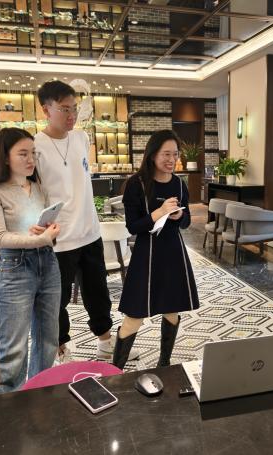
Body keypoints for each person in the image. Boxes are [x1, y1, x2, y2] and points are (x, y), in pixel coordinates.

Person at [34, 80, 137, 362]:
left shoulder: (81, 139)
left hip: (90, 231)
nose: (71, 115)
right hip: (58, 239)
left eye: (74, 108)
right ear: (46, 109)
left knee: (98, 292)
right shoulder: (36, 146)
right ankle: (60, 348)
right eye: (64, 109)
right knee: (57, 299)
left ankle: (105, 343)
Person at [0, 127, 61, 393]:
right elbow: (0, 238)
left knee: (48, 340)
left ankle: (39, 395)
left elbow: (46, 233)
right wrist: (40, 238)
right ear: (4, 157)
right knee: (13, 348)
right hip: (14, 268)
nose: (30, 159)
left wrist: (50, 232)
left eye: (33, 153)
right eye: (23, 154)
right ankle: (10, 406)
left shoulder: (38, 188)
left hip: (48, 264)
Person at [112, 129, 200, 369]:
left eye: (175, 154)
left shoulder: (179, 184)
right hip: (146, 255)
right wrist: (159, 213)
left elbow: (187, 221)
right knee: (134, 316)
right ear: (152, 154)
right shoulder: (136, 184)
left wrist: (179, 215)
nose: (171, 159)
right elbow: (133, 226)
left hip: (173, 253)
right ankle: (115, 370)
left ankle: (164, 363)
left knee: (172, 311)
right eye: (166, 154)